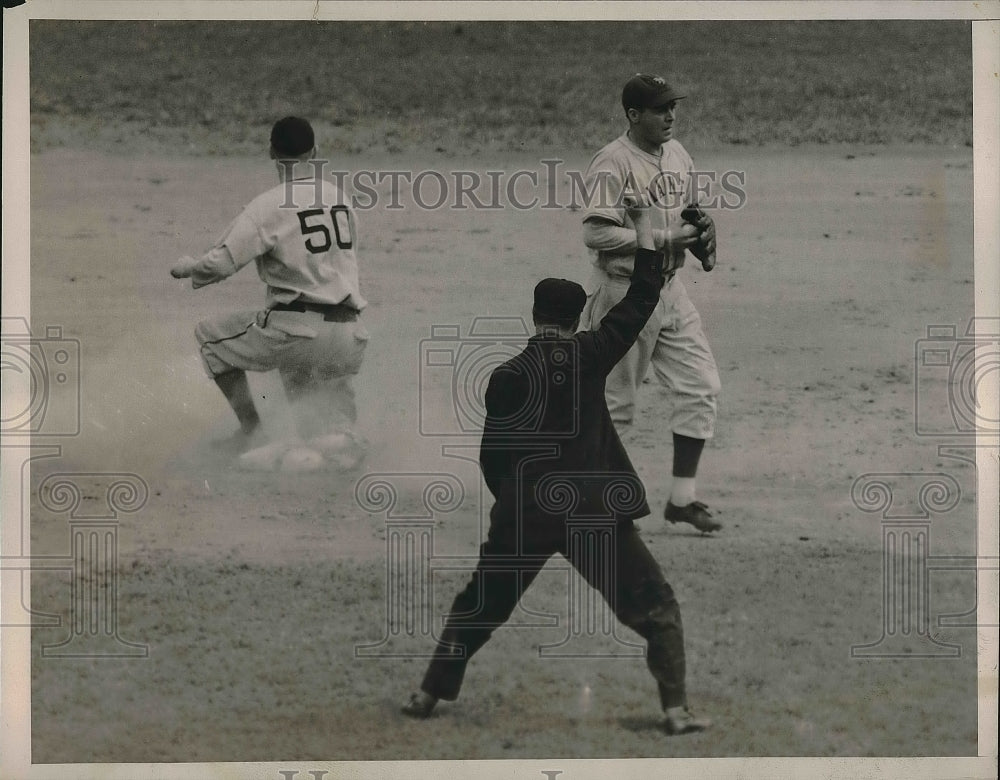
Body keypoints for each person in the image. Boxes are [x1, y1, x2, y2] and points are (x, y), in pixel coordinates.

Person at [401, 196, 711, 735]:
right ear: (574, 320)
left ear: (536, 317)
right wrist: (642, 230)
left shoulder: (505, 375)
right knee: (656, 605)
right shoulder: (590, 355)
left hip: (526, 512)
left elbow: (491, 459)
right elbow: (640, 300)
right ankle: (676, 710)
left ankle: (427, 693)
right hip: (593, 510)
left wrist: (518, 508)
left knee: (479, 605)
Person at [170, 116, 368, 466]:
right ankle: (337, 442)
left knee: (209, 337)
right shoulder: (341, 198)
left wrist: (188, 266)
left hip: (298, 329)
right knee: (309, 380)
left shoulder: (268, 205)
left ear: (272, 153)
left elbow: (220, 264)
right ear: (315, 152)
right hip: (351, 333)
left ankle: (253, 432)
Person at [580, 73, 722, 534]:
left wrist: (701, 229)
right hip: (622, 293)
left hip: (669, 289)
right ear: (633, 115)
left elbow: (688, 209)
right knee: (616, 403)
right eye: (660, 109)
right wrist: (663, 238)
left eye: (672, 106)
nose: (670, 115)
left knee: (700, 385)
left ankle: (682, 501)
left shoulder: (677, 154)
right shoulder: (613, 162)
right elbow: (596, 232)